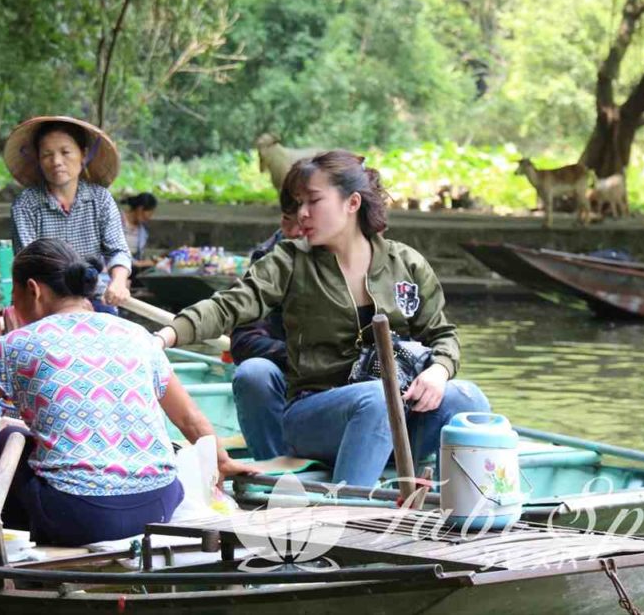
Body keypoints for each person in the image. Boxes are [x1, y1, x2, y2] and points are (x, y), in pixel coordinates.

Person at [0, 238, 256, 546]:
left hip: (80, 516)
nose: (12, 305)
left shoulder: (15, 345)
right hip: (157, 506)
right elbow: (190, 420)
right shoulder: (138, 337)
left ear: (33, 289)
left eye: (13, 292)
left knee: (9, 437)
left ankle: (13, 547)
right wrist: (221, 463)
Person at [152, 151, 489, 487]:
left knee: (467, 397)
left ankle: (455, 517)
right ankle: (348, 516)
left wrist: (438, 371)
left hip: (398, 417)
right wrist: (164, 337)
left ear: (352, 203)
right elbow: (229, 306)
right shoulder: (289, 261)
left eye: (313, 201)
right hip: (314, 416)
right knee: (376, 399)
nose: (302, 214)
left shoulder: (406, 264)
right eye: (299, 204)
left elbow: (443, 334)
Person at [5, 116, 132, 313]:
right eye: (47, 154)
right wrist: (70, 304)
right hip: (44, 302)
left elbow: (118, 251)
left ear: (84, 154)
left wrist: (118, 282)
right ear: (38, 159)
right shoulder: (26, 205)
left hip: (94, 296)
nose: (56, 162)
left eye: (65, 152)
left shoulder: (100, 199)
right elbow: (30, 265)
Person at [228, 209, 302, 460]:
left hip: (352, 390)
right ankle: (276, 473)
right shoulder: (268, 262)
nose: (296, 231)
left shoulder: (387, 264)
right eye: (290, 218)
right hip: (292, 376)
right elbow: (244, 339)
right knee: (254, 373)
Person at [121, 192, 158, 263]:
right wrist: (137, 264)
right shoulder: (116, 220)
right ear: (140, 209)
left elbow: (139, 255)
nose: (149, 218)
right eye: (149, 214)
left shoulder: (143, 230)